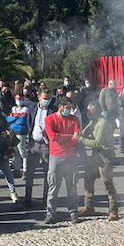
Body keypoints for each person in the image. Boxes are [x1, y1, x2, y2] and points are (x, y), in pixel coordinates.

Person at [78, 101, 119, 221]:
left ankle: (113, 210)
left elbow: (96, 143)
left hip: (105, 155)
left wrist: (80, 139)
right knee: (88, 179)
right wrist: (81, 133)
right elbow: (85, 132)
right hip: (96, 155)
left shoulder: (103, 123)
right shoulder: (93, 122)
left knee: (107, 183)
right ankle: (88, 206)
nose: (88, 113)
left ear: (96, 111)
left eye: (90, 111)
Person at [43, 96, 81, 225]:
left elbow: (78, 137)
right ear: (61, 106)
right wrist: (70, 137)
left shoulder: (74, 120)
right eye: (68, 108)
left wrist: (65, 138)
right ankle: (50, 213)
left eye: (71, 108)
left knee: (72, 186)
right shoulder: (49, 119)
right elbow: (53, 137)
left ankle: (73, 213)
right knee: (53, 186)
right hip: (56, 156)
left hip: (71, 157)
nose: (69, 110)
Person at [24, 89, 53, 209]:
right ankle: (27, 199)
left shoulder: (52, 110)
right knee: (30, 173)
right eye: (44, 98)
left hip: (46, 145)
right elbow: (29, 122)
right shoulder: (32, 108)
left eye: (48, 98)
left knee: (47, 173)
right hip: (33, 144)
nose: (46, 101)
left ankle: (45, 199)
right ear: (39, 97)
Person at [7, 85, 35, 178]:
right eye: (17, 99)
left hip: (21, 133)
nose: (18, 100)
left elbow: (21, 121)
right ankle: (17, 169)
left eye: (20, 99)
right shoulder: (14, 108)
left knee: (22, 152)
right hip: (13, 132)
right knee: (16, 152)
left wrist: (14, 117)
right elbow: (8, 119)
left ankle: (25, 170)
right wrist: (15, 117)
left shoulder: (25, 109)